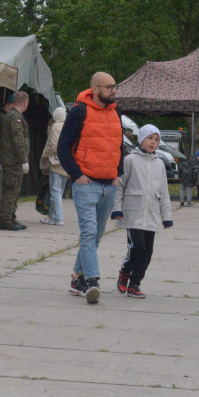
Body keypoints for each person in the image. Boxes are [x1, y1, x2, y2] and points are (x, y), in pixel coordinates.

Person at [57, 72, 124, 305]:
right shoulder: (78, 112)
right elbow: (63, 147)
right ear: (95, 89)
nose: (114, 91)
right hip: (86, 184)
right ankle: (92, 281)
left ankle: (77, 278)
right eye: (110, 87)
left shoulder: (116, 112)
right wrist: (77, 175)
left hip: (109, 184)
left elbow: (119, 146)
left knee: (95, 235)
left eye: (115, 87)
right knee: (88, 232)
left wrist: (118, 173)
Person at [112, 125, 173, 299]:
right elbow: (120, 187)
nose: (153, 142)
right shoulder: (130, 160)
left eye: (156, 139)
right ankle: (125, 270)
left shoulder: (160, 164)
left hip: (152, 215)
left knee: (147, 253)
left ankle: (135, 284)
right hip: (133, 214)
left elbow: (164, 191)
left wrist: (166, 216)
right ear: (141, 139)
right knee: (137, 247)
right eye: (150, 138)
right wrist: (117, 209)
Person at [0, 91, 30, 231]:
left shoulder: (11, 115)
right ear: (25, 103)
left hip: (13, 160)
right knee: (11, 191)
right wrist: (24, 160)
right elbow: (18, 140)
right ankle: (5, 220)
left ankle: (11, 218)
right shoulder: (15, 118)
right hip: (13, 161)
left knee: (14, 190)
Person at [39, 106, 67, 225]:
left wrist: (46, 156)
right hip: (66, 163)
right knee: (58, 192)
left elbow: (54, 146)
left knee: (54, 191)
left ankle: (58, 218)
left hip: (56, 162)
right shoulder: (68, 126)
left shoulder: (56, 127)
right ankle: (51, 216)